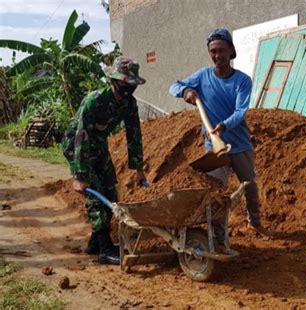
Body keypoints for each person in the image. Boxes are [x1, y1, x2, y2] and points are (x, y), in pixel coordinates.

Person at [169, 28, 272, 249]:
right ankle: (218, 237)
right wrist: (186, 91)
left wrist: (224, 125)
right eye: (213, 51)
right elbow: (173, 86)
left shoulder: (242, 81)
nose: (217, 55)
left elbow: (241, 111)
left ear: (231, 51)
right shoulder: (202, 76)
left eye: (222, 50)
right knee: (216, 195)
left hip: (239, 143)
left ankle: (254, 222)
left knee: (250, 186)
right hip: (214, 148)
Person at [62, 57, 147, 265]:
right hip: (77, 145)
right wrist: (80, 176)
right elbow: (81, 135)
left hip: (98, 144)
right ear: (114, 80)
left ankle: (94, 243)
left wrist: (138, 168)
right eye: (126, 82)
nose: (129, 87)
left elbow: (134, 133)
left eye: (131, 83)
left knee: (110, 191)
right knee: (95, 193)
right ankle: (105, 249)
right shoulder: (95, 100)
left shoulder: (129, 103)